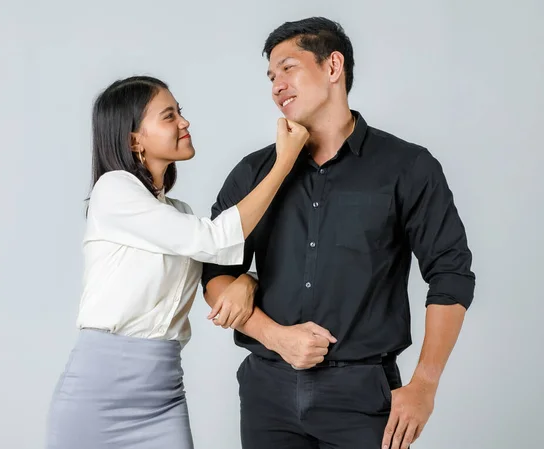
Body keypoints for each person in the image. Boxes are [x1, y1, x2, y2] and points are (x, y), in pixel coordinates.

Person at [202, 17, 475, 449]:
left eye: (288, 68)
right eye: (271, 76)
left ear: (333, 67)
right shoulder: (255, 172)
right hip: (266, 392)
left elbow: (452, 275)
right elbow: (213, 271)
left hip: (363, 394)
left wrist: (425, 384)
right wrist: (273, 332)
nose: (276, 85)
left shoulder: (407, 167)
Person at [45, 75, 309, 449]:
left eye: (179, 113)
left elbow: (217, 259)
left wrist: (246, 281)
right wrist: (283, 164)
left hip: (163, 393)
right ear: (134, 138)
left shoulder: (177, 213)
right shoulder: (114, 190)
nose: (184, 123)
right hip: (97, 395)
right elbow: (217, 240)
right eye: (169, 116)